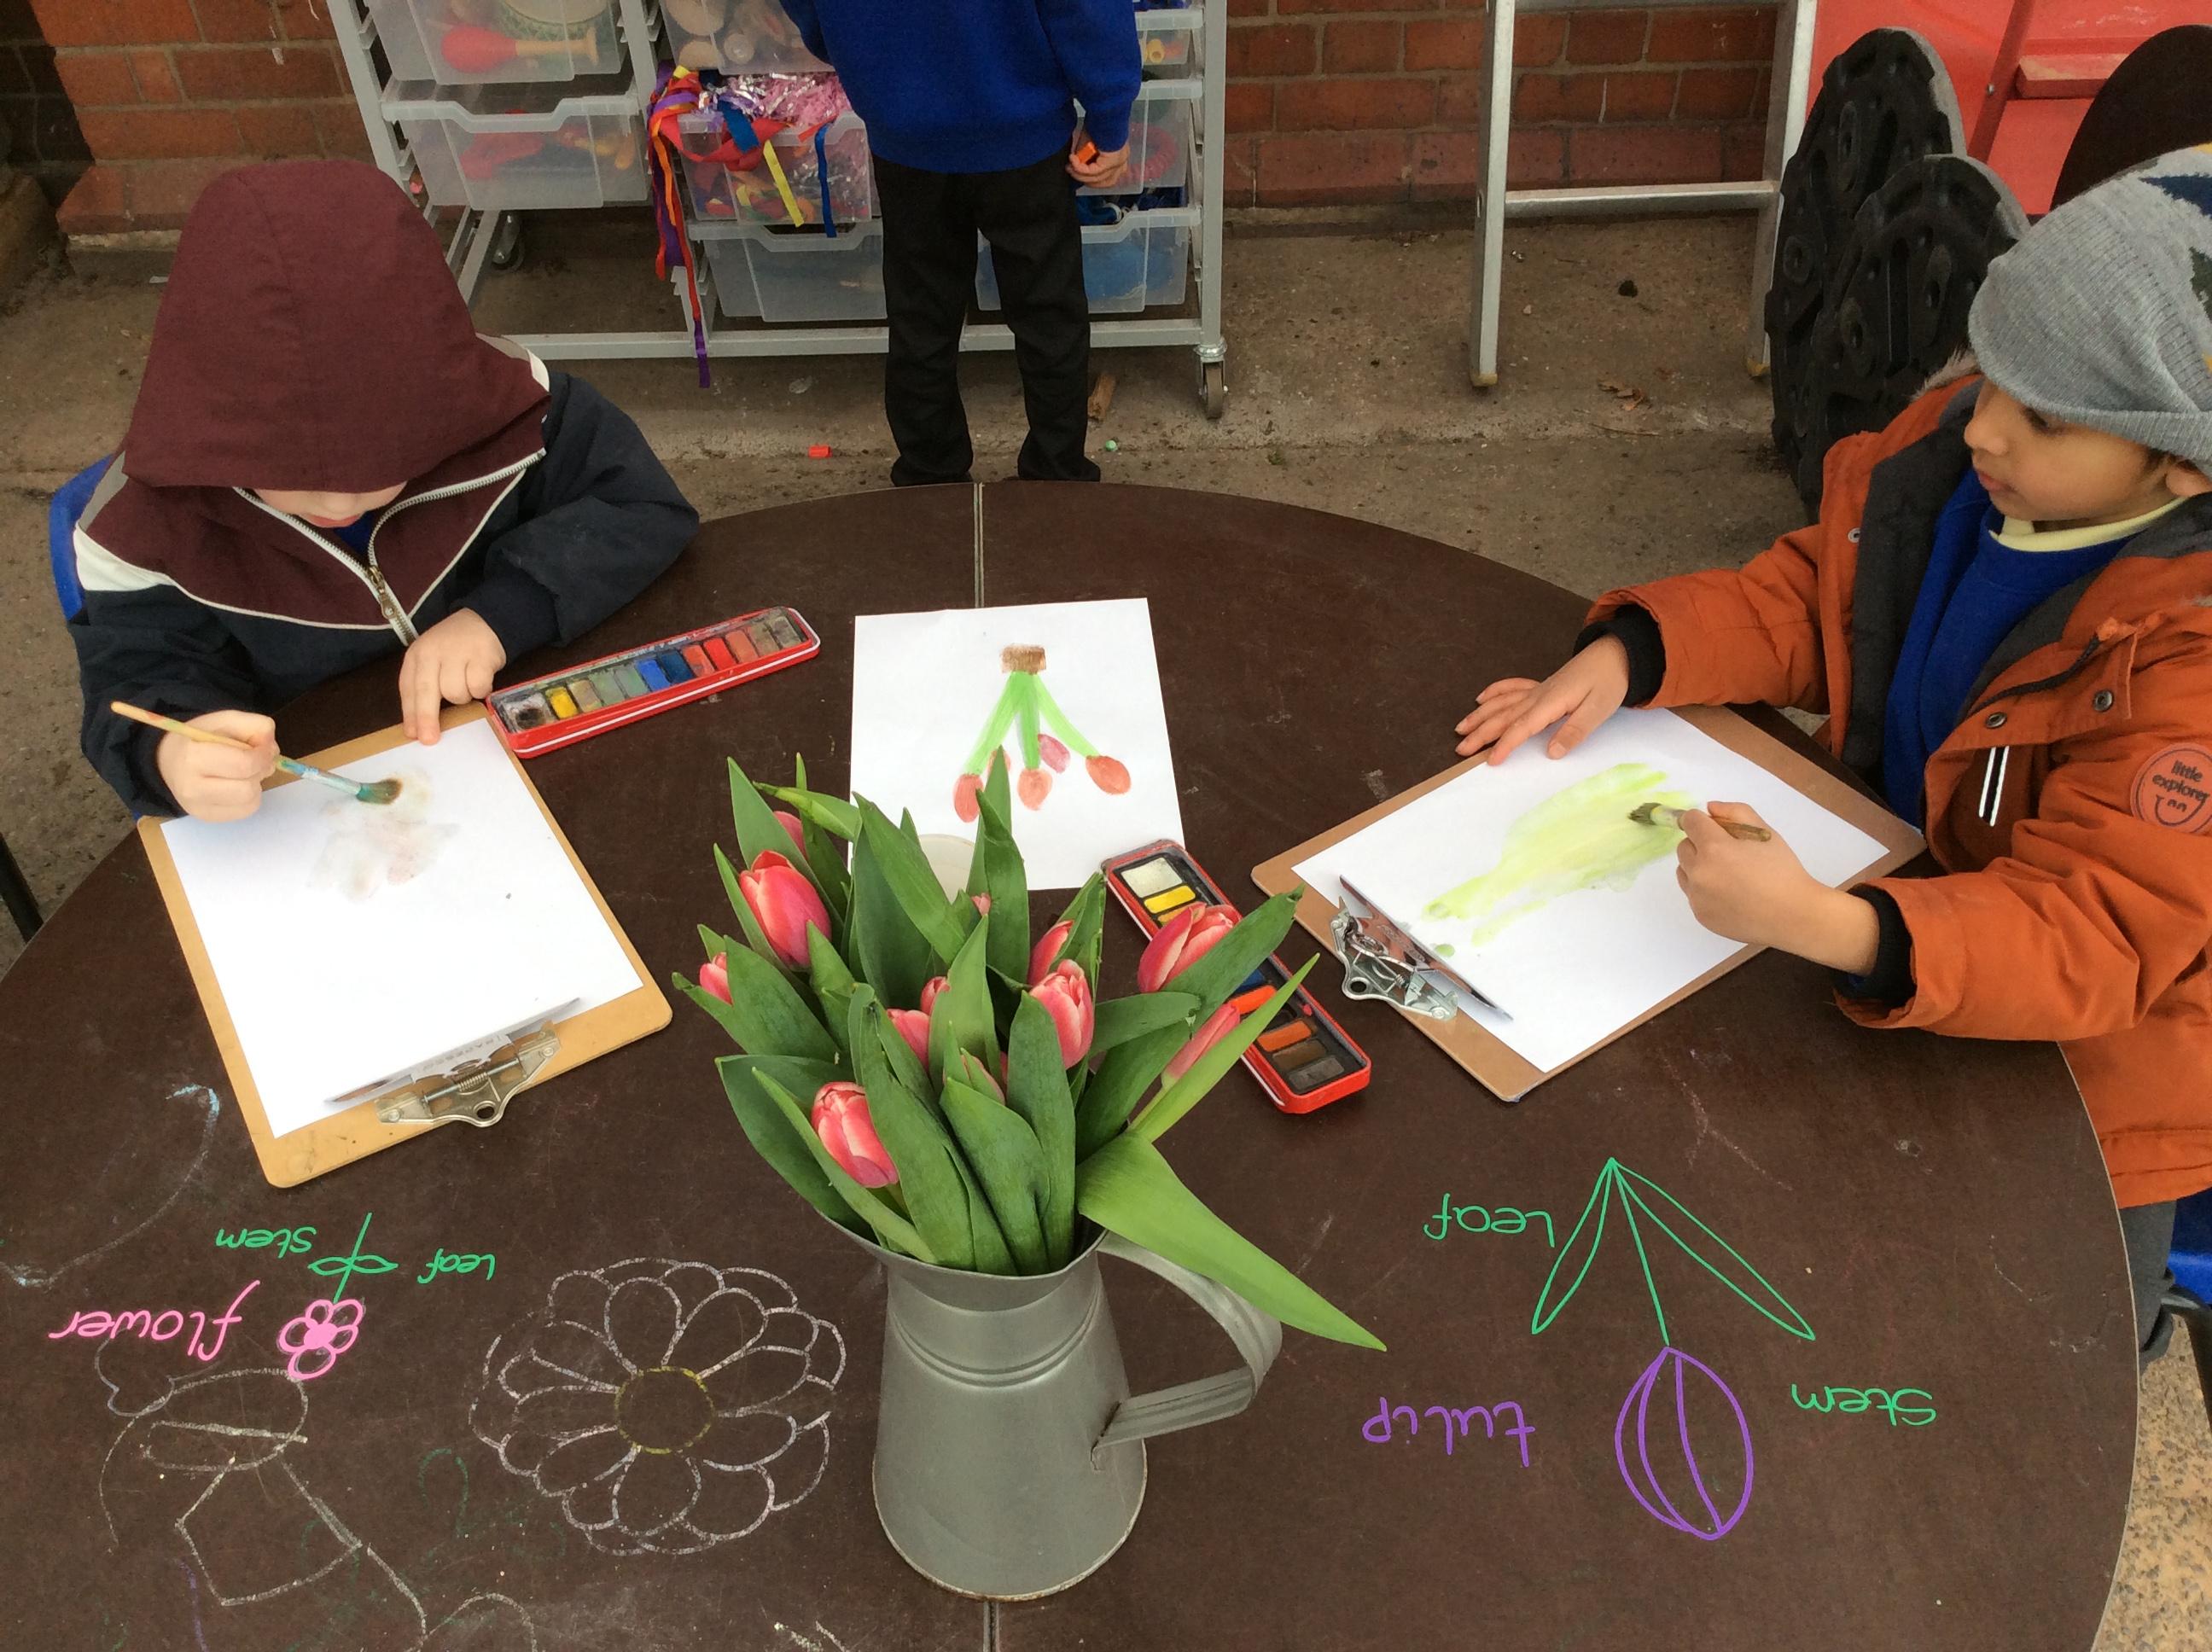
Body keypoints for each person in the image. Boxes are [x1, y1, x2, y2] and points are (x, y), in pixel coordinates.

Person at [1454, 147, 2212, 1364]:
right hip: (1882, 903)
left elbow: (2096, 932)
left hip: (2088, 1089)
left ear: (2180, 462)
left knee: (2043, 1350)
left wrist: (1834, 924)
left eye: (2042, 415)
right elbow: (1819, 603)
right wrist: (1640, 652)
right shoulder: (1961, 462)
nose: (1985, 424)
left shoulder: (2191, 664)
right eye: (1990, 367)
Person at [69, 160, 699, 823]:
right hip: (325, 811)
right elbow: (134, 682)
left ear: (435, 405)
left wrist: (505, 612)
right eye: (292, 474)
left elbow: (641, 504)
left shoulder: (511, 410)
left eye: (381, 466)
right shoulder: (143, 530)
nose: (339, 504)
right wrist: (170, 753)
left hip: (538, 745)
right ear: (219, 426)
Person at [776, 0, 1138, 486]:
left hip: (904, 124)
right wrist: (1109, 113)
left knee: (921, 317)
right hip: (1021, 124)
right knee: (1048, 315)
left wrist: (856, 50)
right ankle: (1056, 479)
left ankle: (930, 482)